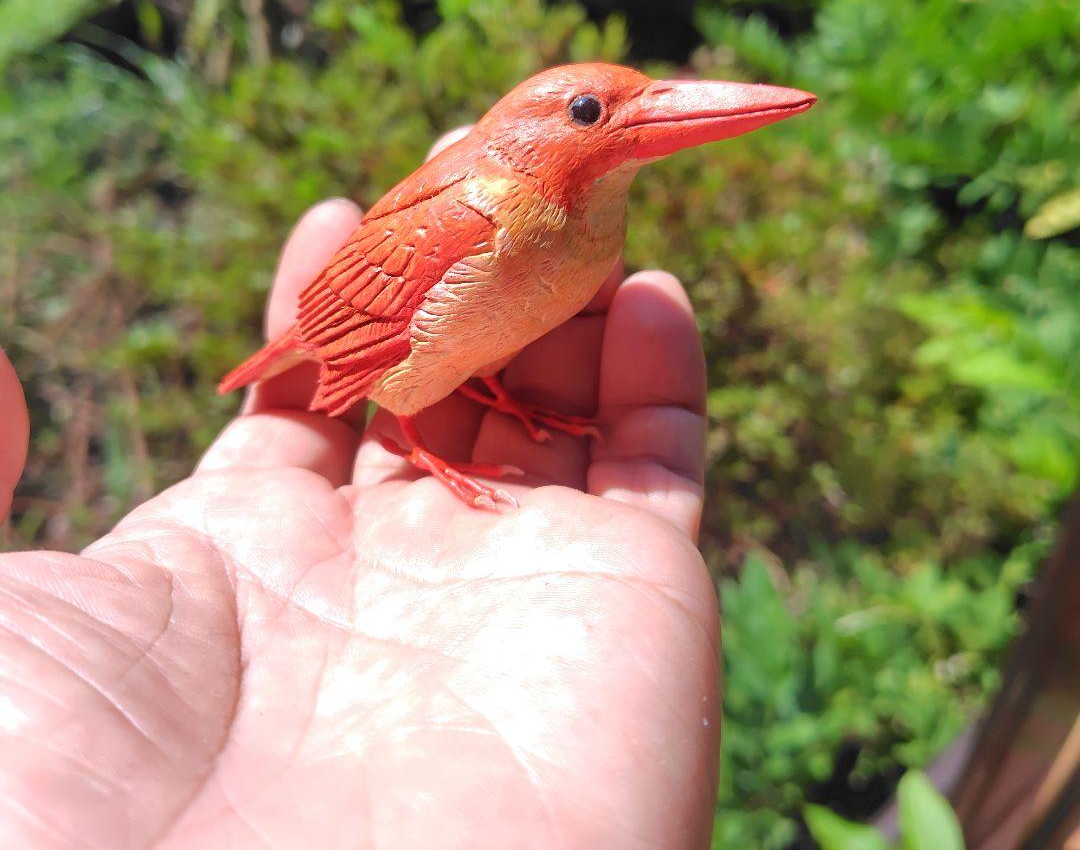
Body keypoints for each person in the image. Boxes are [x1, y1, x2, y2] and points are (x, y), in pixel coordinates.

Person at [0, 130, 721, 848]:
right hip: (382, 344)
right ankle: (423, 447)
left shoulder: (586, 226)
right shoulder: (476, 213)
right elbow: (378, 329)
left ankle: (500, 402)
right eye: (590, 113)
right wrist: (416, 441)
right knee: (415, 400)